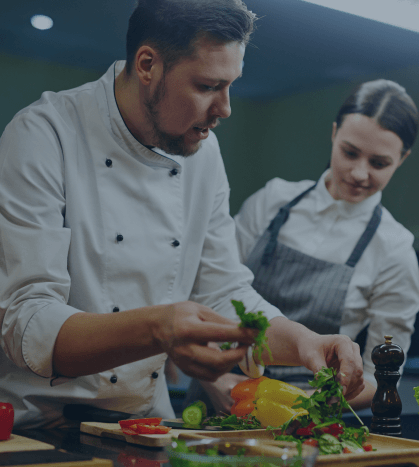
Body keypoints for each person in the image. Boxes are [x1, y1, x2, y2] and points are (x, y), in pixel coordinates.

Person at [0, 0, 364, 429]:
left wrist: (306, 342)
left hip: (146, 427)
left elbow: (223, 292)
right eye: (208, 86)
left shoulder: (203, 152)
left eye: (231, 85)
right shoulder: (45, 135)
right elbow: (26, 320)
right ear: (148, 64)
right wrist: (158, 328)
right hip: (39, 428)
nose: (226, 108)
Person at [187, 79, 419, 413]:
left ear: (402, 158)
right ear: (333, 134)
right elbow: (207, 292)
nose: (359, 173)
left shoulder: (395, 251)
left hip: (304, 417)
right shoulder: (272, 201)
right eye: (350, 152)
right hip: (216, 394)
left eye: (379, 163)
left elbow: (380, 375)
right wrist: (216, 381)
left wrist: (308, 404)